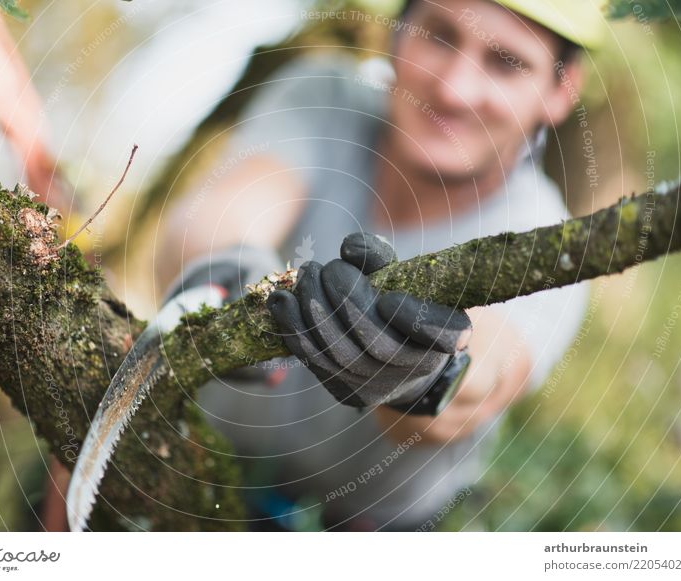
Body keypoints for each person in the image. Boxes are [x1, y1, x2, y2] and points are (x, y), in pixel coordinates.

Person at [159, 0, 606, 531]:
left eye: (506, 62)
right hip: (184, 475)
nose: (454, 89)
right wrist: (227, 272)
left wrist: (426, 376)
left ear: (560, 91)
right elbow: (227, 210)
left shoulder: (550, 241)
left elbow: (485, 377)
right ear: (397, 33)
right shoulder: (325, 96)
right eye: (439, 36)